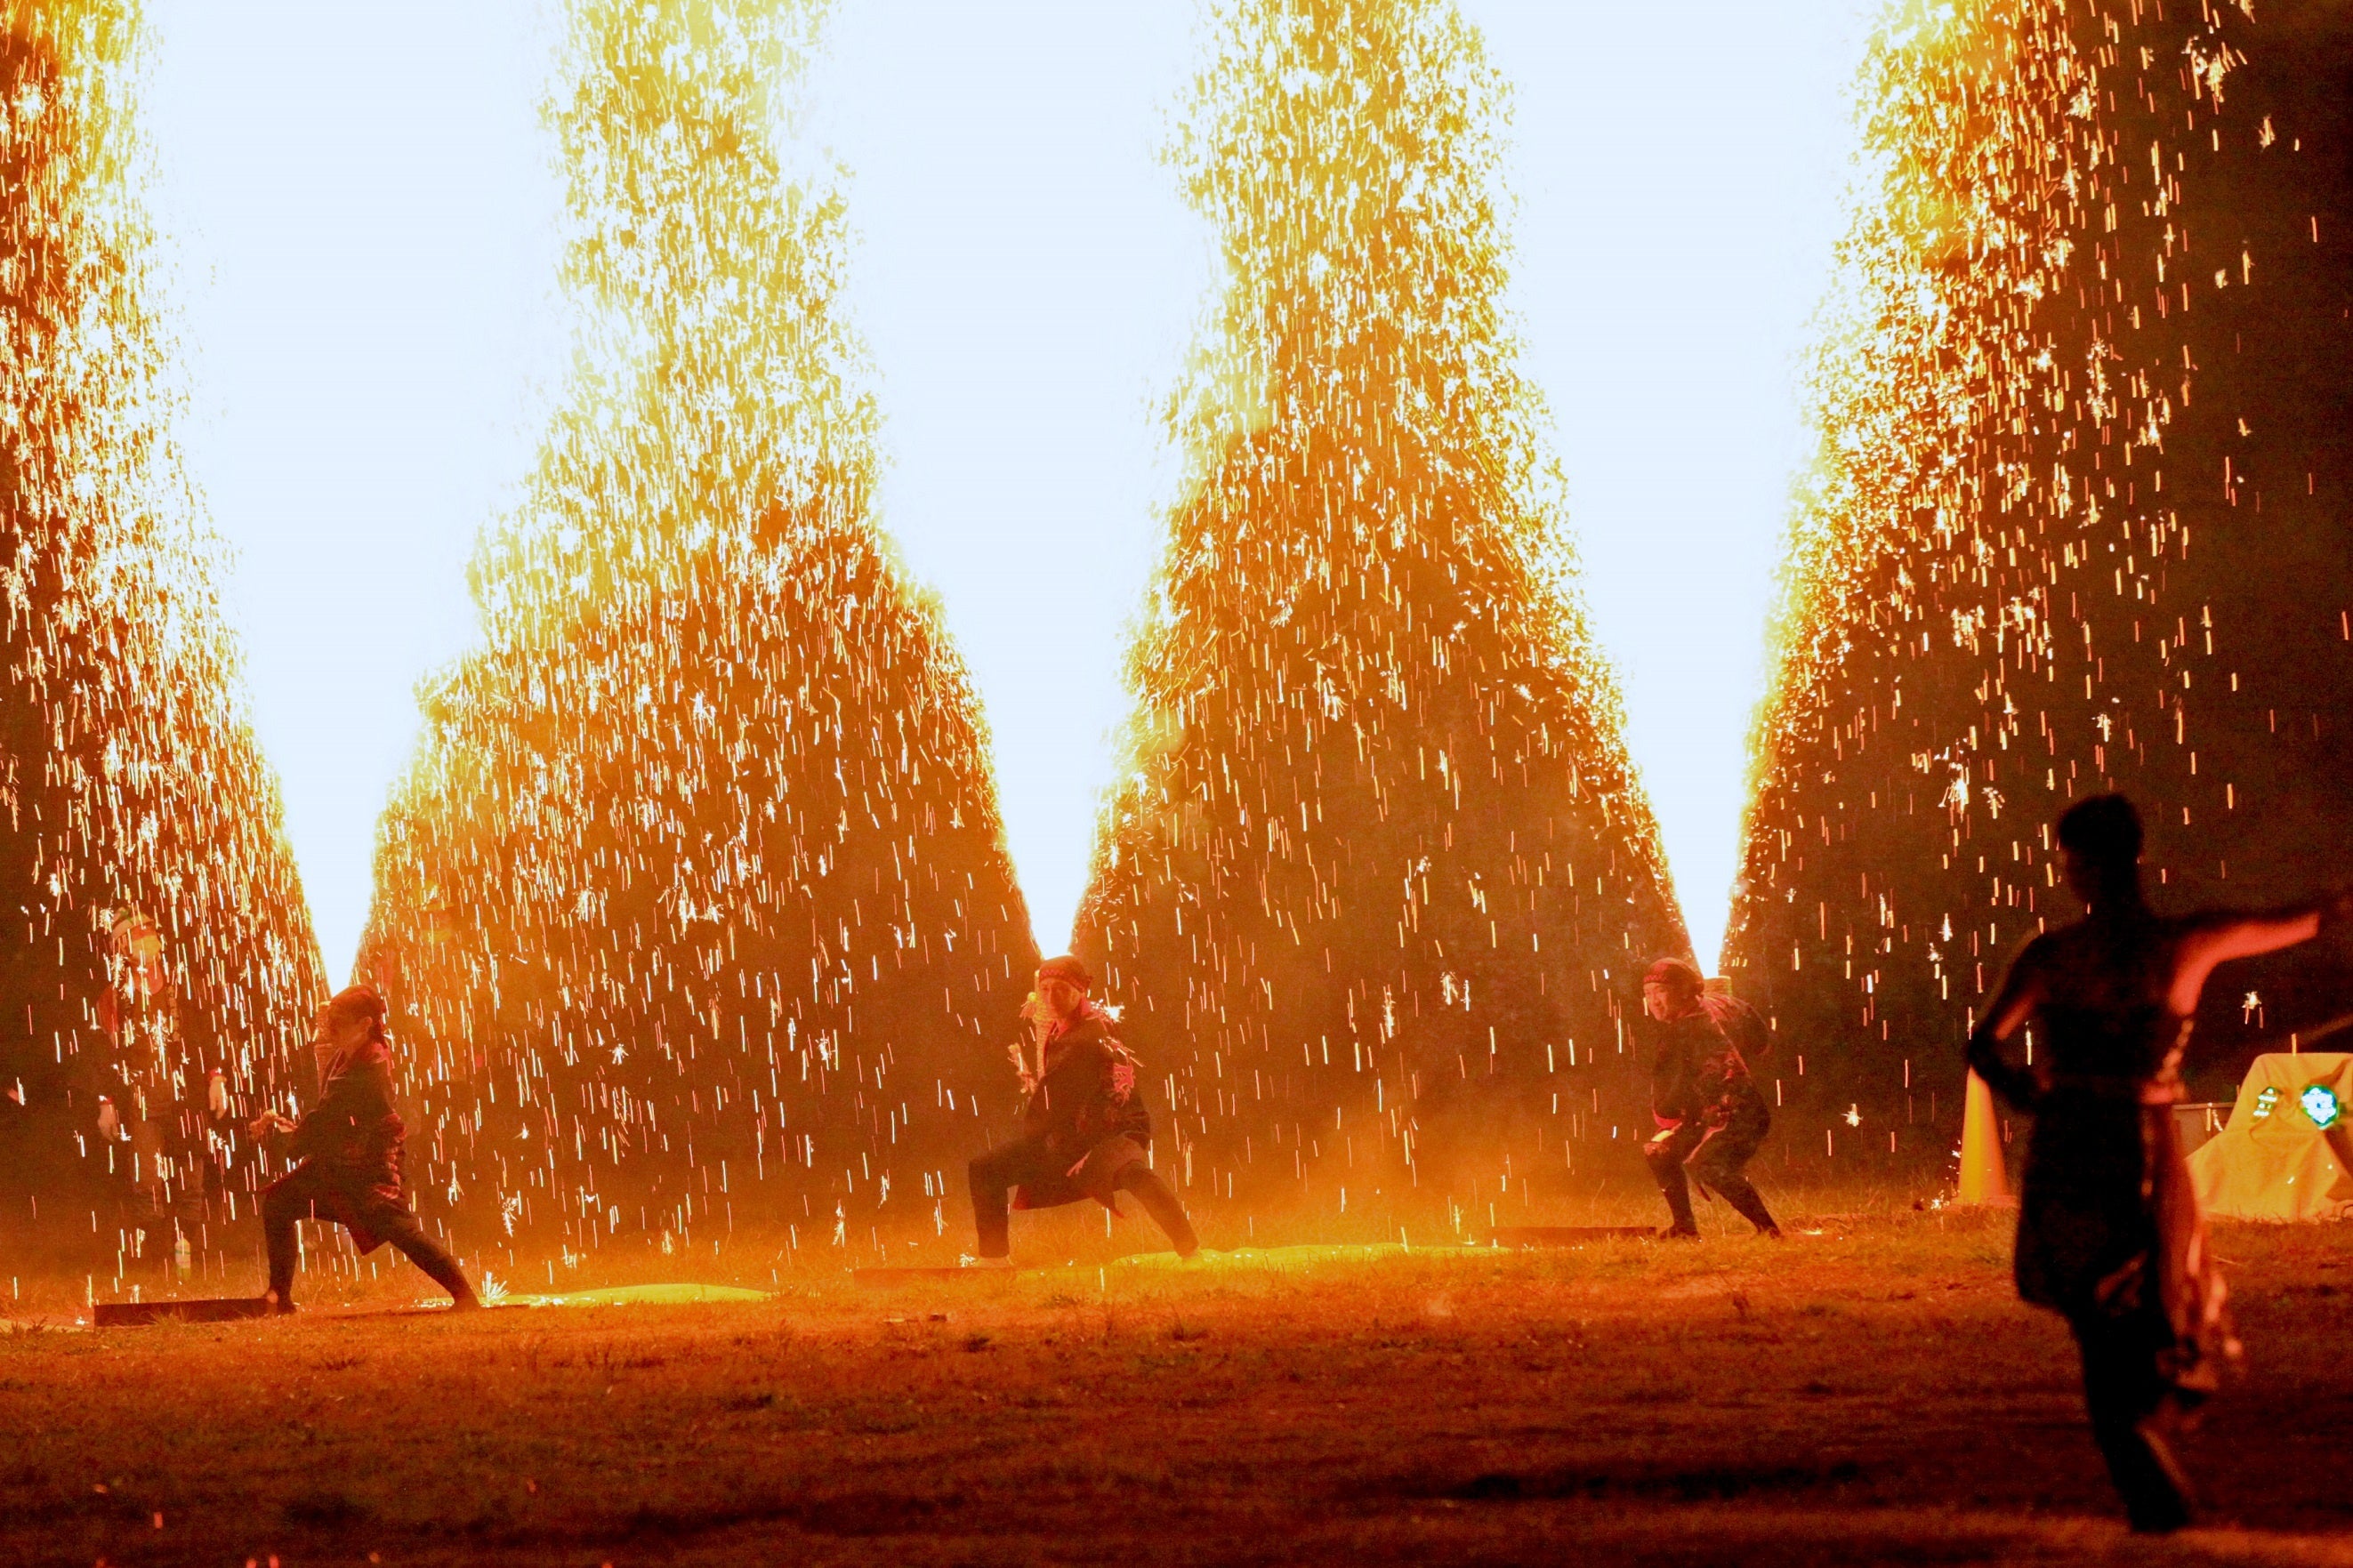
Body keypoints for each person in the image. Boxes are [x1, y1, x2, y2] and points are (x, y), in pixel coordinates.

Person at [1969, 793, 2351, 1532]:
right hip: (2096, 1147)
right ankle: (2150, 1474)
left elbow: (2291, 920)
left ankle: (2151, 1475)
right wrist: (2024, 1089)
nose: (2075, 874)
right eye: (2071, 861)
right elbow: (1982, 1044)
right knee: (2110, 1310)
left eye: (2078, 861)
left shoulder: (2124, 948)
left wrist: (2026, 1089)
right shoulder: (2103, 949)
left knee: (2125, 1315)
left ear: (2099, 863)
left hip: (2113, 1149)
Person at [248, 985, 478, 1313]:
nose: (332, 1031)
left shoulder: (369, 1062)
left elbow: (328, 1114)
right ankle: (279, 1298)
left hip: (371, 1164)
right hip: (343, 1161)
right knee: (280, 1203)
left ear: (365, 1024)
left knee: (399, 1228)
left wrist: (292, 1141)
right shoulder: (354, 1052)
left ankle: (465, 1295)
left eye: (339, 1024)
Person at [966, 955, 1198, 1265]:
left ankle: (1191, 1249)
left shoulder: (1086, 1038)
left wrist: (1037, 1126)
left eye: (1060, 989)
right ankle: (994, 1261)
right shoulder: (1080, 1022)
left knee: (1133, 1174)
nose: (1051, 997)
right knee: (986, 1170)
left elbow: (1060, 1100)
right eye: (1044, 989)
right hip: (1080, 1127)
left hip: (1104, 1129)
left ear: (1079, 991)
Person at [1641, 958, 1779, 1239]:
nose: (1654, 1002)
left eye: (1662, 992)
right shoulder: (1724, 1003)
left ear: (1683, 992)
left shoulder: (1681, 1032)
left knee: (1708, 1165)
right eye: (1648, 993)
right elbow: (1761, 1043)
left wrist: (1670, 1121)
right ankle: (1685, 1229)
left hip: (1738, 1116)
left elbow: (1667, 1104)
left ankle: (1768, 1231)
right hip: (1719, 1113)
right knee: (1660, 1151)